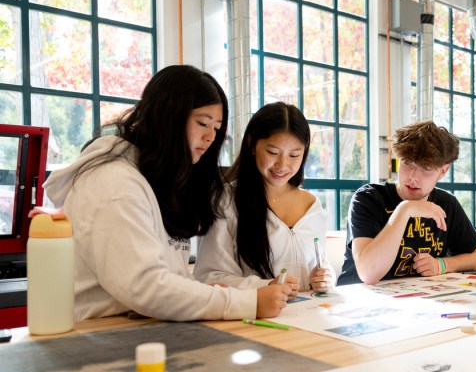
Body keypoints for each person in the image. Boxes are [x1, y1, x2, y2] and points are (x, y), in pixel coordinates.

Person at [44, 65, 296, 321]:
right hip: (97, 338)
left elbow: (167, 279)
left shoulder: (155, 181)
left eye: (217, 128)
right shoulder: (114, 183)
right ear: (168, 117)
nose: (210, 137)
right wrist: (246, 302)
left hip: (137, 330)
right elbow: (146, 287)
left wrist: (207, 293)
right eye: (202, 123)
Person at [194, 102, 335, 292]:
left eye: (294, 155)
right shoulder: (225, 201)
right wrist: (266, 286)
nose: (282, 165)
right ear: (252, 144)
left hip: (306, 317)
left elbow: (318, 263)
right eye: (272, 152)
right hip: (254, 318)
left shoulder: (313, 207)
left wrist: (325, 277)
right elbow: (209, 276)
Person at [338, 121, 476, 285]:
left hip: (416, 300)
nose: (413, 177)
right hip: (359, 300)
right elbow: (369, 274)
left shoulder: (446, 203)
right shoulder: (368, 198)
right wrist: (404, 210)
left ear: (443, 171)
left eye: (426, 168)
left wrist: (441, 265)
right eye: (407, 164)